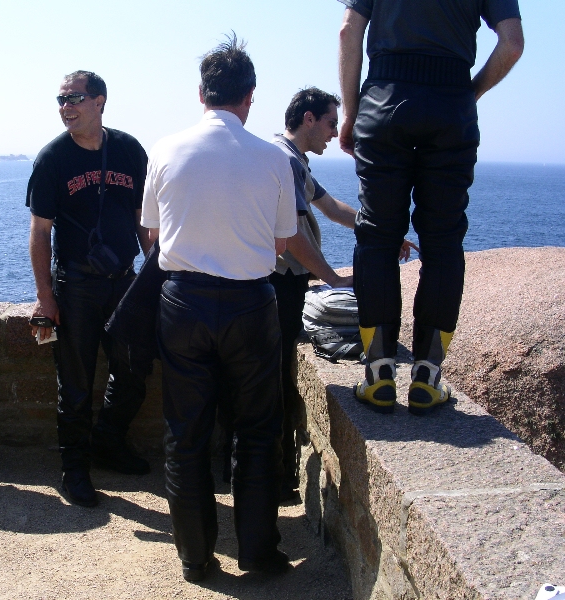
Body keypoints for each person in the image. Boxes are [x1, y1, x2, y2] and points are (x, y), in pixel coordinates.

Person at [141, 35, 298, 581]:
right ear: (249, 97)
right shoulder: (274, 158)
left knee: (185, 435)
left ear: (201, 94)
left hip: (181, 302)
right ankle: (258, 551)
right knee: (256, 430)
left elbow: (152, 233)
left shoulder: (165, 150)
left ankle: (195, 557)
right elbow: (282, 244)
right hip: (250, 304)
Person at [338, 0, 523, 414]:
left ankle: (379, 375)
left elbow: (349, 31)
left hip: (383, 101)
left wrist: (350, 112)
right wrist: (469, 92)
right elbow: (512, 44)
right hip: (452, 107)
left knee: (376, 238)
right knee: (443, 242)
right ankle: (427, 376)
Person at [268, 87, 416, 499]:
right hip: (278, 285)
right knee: (272, 381)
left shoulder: (293, 159)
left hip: (283, 283)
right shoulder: (284, 160)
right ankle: (272, 480)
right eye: (331, 123)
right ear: (309, 119)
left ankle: (268, 476)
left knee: (273, 377)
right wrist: (333, 278)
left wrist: (385, 234)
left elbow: (332, 209)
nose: (335, 133)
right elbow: (292, 235)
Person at [27, 70, 151, 508]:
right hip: (76, 284)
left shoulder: (128, 150)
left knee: (134, 368)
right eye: (61, 100)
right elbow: (40, 232)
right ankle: (75, 470)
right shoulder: (52, 159)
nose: (66, 107)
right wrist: (46, 296)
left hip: (123, 282)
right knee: (76, 384)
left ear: (100, 101)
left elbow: (143, 218)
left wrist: (154, 275)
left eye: (75, 98)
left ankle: (109, 441)